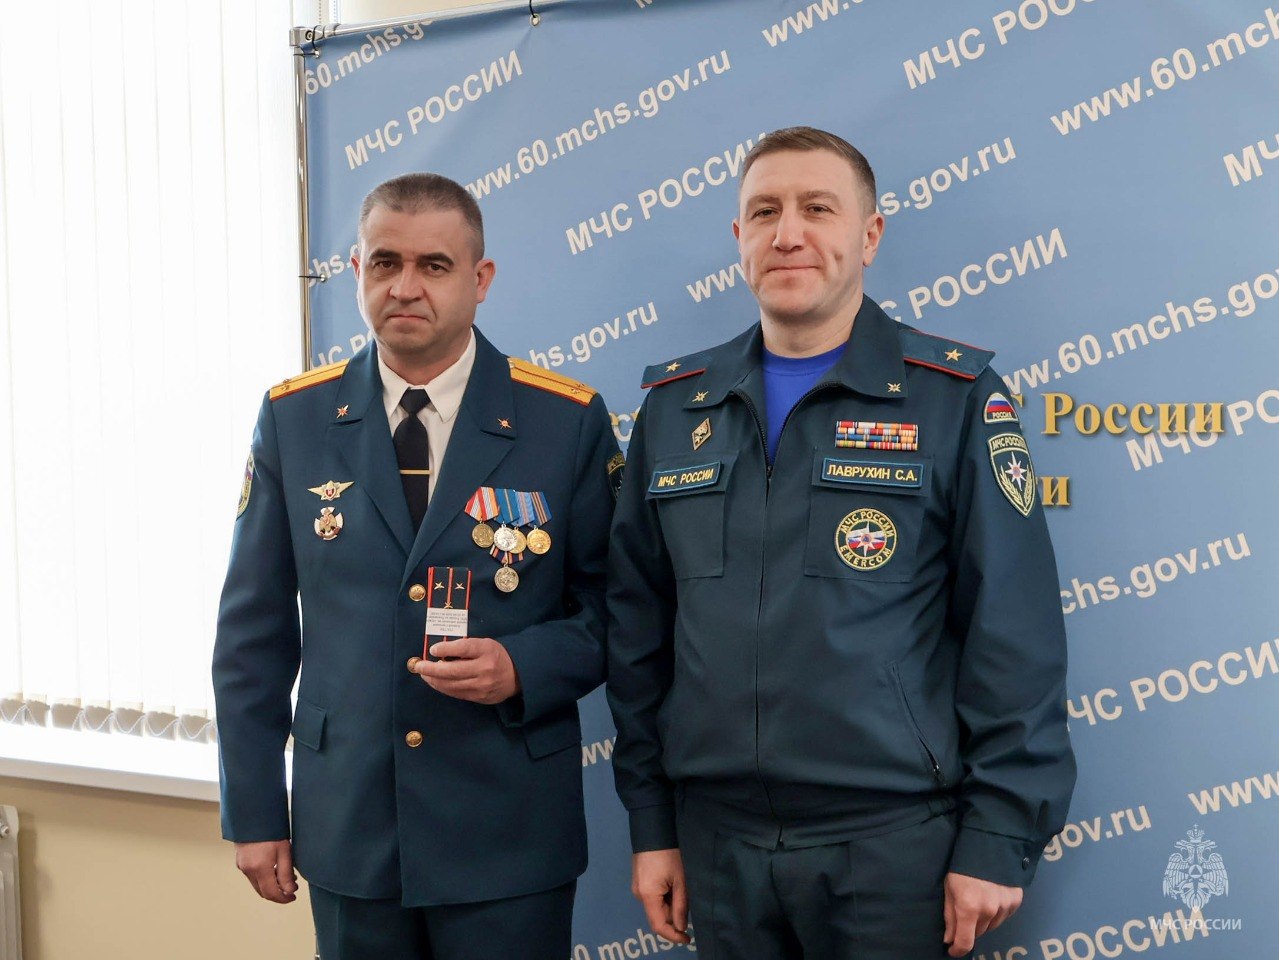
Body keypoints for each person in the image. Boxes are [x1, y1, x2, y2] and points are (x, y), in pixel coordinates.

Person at [606, 127, 1076, 959]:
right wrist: (652, 824)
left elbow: (1013, 632)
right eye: (764, 212)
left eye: (817, 209)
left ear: (869, 234)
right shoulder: (675, 409)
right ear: (738, 237)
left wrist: (999, 835)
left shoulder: (954, 399)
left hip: (892, 846)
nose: (787, 233)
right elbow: (637, 632)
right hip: (716, 842)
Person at [213, 172, 620, 960]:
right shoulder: (295, 417)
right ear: (356, 270)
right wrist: (256, 811)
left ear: (480, 278)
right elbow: (250, 637)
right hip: (351, 825)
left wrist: (523, 664)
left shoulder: (563, 420)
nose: (404, 287)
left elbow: (620, 610)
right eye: (384, 263)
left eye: (434, 265)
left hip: (506, 828)